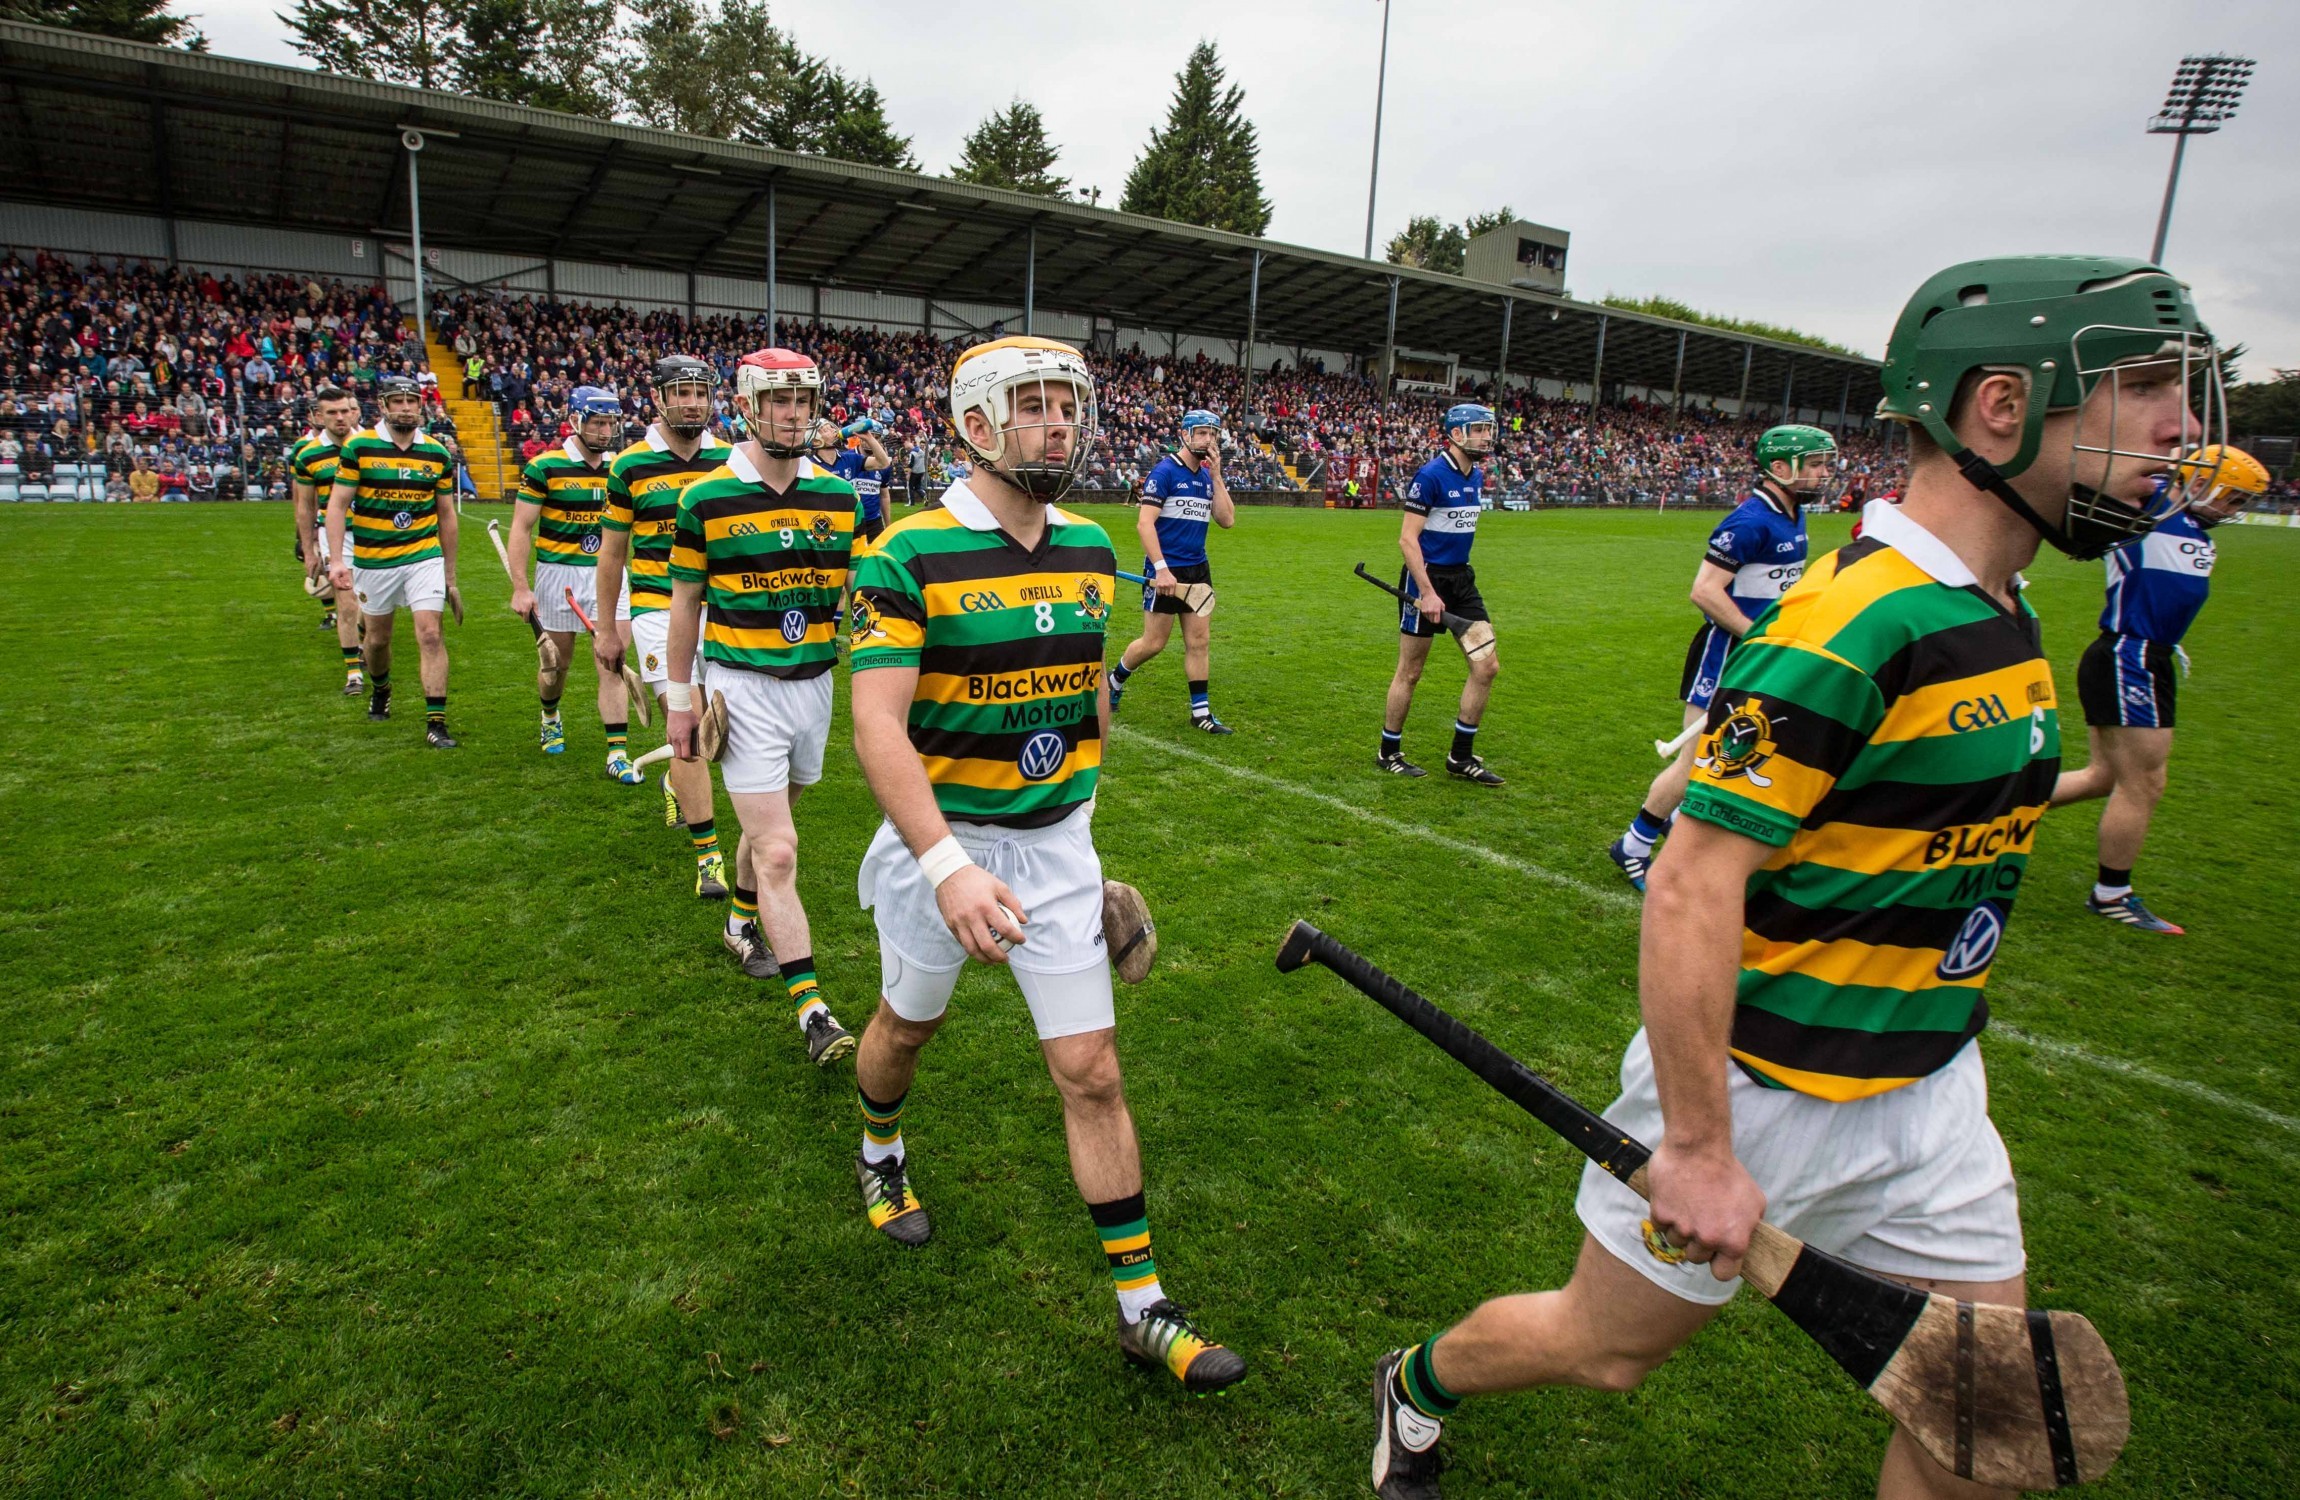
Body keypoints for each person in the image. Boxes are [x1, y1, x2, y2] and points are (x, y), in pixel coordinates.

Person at [1366, 255, 2214, 1500]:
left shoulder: (1997, 605)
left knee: (1983, 1427)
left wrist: (2090, 784)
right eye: (2139, 386)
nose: (2181, 425)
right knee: (1601, 1352)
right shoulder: (1848, 621)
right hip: (1763, 1084)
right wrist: (1701, 1146)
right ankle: (1415, 1382)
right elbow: (1691, 885)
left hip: (1929, 1090)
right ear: (1998, 406)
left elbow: (1930, 814)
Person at [845, 336, 1247, 1394]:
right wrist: (945, 868)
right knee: (905, 1027)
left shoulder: (1082, 546)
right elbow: (877, 731)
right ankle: (879, 1150)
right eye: (1032, 405)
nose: (1057, 424)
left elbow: (1086, 699)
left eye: (1066, 405)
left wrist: (1084, 848)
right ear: (974, 423)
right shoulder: (902, 553)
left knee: (1092, 1071)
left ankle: (1141, 1308)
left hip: (1054, 846)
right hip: (942, 843)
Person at [661, 348, 863, 1067]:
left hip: (815, 684)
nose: (794, 414)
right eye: (780, 401)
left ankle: (740, 920)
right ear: (747, 406)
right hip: (741, 687)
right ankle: (812, 1008)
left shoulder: (841, 497)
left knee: (774, 821)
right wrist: (680, 702)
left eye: (804, 402)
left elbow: (860, 593)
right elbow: (685, 605)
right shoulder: (705, 499)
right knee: (777, 848)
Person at [2049, 444, 2268, 933]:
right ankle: (2112, 895)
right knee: (2144, 783)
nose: (2235, 510)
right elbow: (2105, 468)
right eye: (2232, 497)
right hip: (2131, 656)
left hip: (2148, 657)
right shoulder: (2150, 507)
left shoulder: (2191, 528)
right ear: (2197, 480)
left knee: (2105, 777)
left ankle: (1990, 809)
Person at [1607, 425, 1832, 891]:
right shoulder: (1750, 522)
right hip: (1727, 654)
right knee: (1695, 763)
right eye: (1814, 464)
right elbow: (1705, 591)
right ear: (1779, 468)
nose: (1823, 473)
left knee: (1736, 756)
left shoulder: (1793, 515)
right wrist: (1756, 636)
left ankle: (1684, 833)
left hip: (1762, 655)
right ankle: (1634, 843)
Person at [597, 355, 734, 899]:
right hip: (656, 609)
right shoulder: (629, 465)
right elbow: (611, 556)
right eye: (681, 393)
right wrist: (609, 628)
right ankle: (710, 857)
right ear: (657, 398)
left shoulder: (730, 460)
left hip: (721, 610)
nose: (693, 402)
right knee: (692, 726)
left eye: (701, 393)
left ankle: (672, 782)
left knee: (729, 730)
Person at [325, 374, 463, 748]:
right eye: (397, 401)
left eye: (412, 401)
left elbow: (447, 515)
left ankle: (436, 721)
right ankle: (381, 688)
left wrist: (449, 574)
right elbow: (337, 505)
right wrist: (337, 560)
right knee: (377, 640)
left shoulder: (436, 452)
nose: (405, 408)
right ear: (383, 406)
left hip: (423, 555)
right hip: (373, 560)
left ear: (421, 406)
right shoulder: (359, 447)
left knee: (431, 634)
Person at [509, 386, 636, 781]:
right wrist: (520, 585)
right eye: (597, 422)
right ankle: (550, 714)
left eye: (610, 422)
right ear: (576, 421)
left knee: (612, 662)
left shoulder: (623, 467)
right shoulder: (545, 467)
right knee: (556, 664)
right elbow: (521, 528)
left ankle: (617, 752)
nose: (605, 430)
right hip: (558, 575)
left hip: (609, 575)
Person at [1378, 403, 1503, 784]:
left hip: (1462, 580)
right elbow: (1407, 539)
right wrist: (1428, 592)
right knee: (1411, 671)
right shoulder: (1431, 475)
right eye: (1479, 429)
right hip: (1425, 579)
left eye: (1488, 429)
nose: (1486, 435)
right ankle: (1389, 751)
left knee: (1487, 666)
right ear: (1457, 433)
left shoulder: (1475, 476)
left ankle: (1460, 757)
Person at [1107, 408, 1238, 732]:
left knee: (1199, 641)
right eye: (1203, 433)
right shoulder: (1165, 472)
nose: (1209, 439)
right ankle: (1114, 680)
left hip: (1197, 570)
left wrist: (1218, 475)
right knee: (1154, 643)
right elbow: (1144, 523)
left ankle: (1201, 714)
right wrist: (1162, 569)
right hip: (1164, 570)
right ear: (1185, 434)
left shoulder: (1207, 477)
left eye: (1213, 434)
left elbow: (1227, 520)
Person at [290, 387, 367, 694]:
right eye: (332, 413)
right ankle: (353, 674)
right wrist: (309, 549)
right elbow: (305, 506)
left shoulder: (371, 445)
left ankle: (362, 642)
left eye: (345, 411)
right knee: (347, 603)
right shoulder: (308, 454)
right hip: (335, 536)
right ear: (318, 417)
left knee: (371, 608)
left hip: (374, 534)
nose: (340, 418)